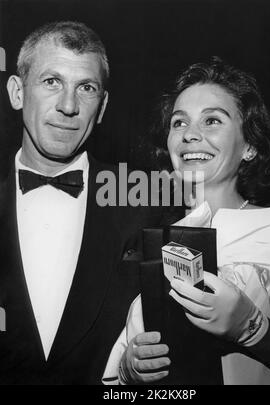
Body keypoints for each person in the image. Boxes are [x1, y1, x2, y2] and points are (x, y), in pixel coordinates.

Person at [102, 58, 270, 385]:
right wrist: (131, 369)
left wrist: (254, 330)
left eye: (212, 121)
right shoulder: (151, 245)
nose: (190, 135)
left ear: (249, 145)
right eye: (179, 123)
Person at [0, 21, 161, 384]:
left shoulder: (147, 204)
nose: (69, 105)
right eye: (51, 82)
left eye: (86, 88)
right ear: (17, 92)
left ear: (102, 107)